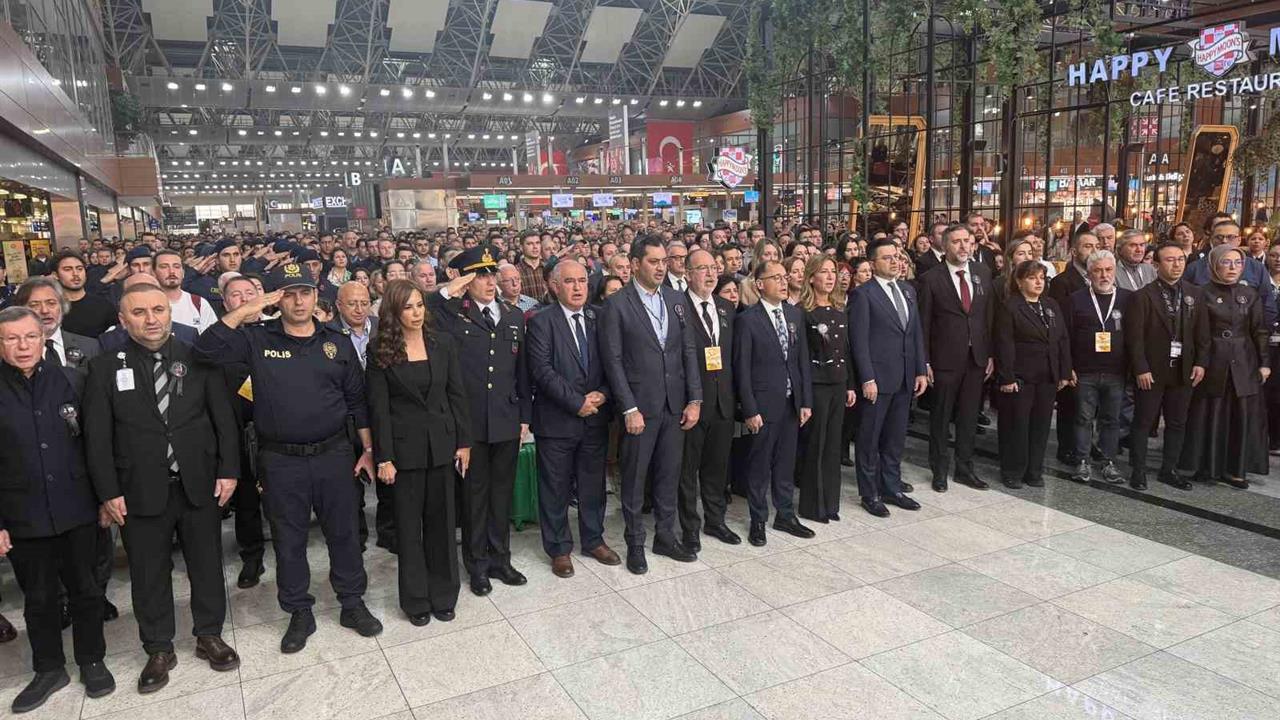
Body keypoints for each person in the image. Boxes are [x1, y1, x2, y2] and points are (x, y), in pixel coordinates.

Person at [192, 262, 383, 654]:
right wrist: (247, 310)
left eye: (306, 292)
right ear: (277, 299)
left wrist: (367, 449)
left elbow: (357, 401)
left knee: (345, 533)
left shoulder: (336, 341)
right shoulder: (256, 338)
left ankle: (351, 602)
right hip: (281, 461)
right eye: (289, 294)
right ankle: (298, 611)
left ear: (317, 296)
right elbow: (205, 351)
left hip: (335, 454)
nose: (299, 301)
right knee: (289, 539)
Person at [82, 282, 241, 693]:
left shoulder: (197, 357)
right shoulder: (103, 367)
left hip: (199, 482)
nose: (151, 319)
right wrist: (107, 490)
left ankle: (209, 634)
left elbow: (223, 418)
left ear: (170, 313)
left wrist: (229, 469)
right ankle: (158, 647)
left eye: (157, 309)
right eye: (139, 312)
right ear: (123, 319)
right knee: (149, 573)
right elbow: (97, 436)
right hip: (138, 488)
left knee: (207, 563)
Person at [0, 307, 115, 712]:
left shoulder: (72, 379)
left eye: (30, 336)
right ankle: (49, 668)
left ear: (43, 337)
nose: (22, 345)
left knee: (87, 591)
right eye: (11, 339)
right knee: (39, 598)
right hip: (23, 515)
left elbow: (96, 444)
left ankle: (92, 659)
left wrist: (105, 497)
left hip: (77, 507)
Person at [428, 247, 531, 596]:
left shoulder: (513, 316)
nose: (490, 281)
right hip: (469, 423)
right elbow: (430, 307)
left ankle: (500, 558)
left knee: (502, 495)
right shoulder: (454, 316)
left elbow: (522, 375)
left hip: (505, 419)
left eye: (492, 274)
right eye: (480, 275)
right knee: (474, 498)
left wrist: (524, 418)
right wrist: (452, 288)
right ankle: (477, 565)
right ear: (466, 279)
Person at [367, 280, 471, 625]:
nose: (416, 313)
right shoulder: (380, 349)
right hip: (403, 452)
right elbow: (378, 409)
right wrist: (384, 457)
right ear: (394, 313)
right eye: (408, 307)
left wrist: (463, 442)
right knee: (409, 531)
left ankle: (444, 595)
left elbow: (457, 395)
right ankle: (415, 600)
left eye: (419, 306)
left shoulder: (442, 343)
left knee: (442, 526)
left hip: (441, 446)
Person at [600, 235, 702, 574]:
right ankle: (635, 542)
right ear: (634, 264)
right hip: (640, 409)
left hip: (675, 406)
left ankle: (665, 536)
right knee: (634, 479)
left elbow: (688, 351)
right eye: (654, 262)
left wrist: (695, 398)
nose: (661, 267)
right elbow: (613, 360)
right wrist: (628, 407)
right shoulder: (617, 305)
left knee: (669, 476)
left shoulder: (676, 300)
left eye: (664, 262)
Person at [526, 260, 621, 577]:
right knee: (555, 487)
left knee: (593, 484)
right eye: (570, 281)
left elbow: (615, 362)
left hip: (595, 417)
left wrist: (603, 394)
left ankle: (593, 539)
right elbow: (542, 371)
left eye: (583, 280)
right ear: (554, 286)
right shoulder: (542, 322)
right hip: (557, 421)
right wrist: (576, 402)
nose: (579, 287)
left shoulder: (600, 317)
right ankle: (558, 548)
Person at [733, 260, 814, 544]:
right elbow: (741, 369)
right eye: (775, 277)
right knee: (759, 465)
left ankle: (785, 514)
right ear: (759, 284)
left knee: (785, 463)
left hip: (791, 404)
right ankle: (758, 520)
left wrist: (805, 401)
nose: (783, 281)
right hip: (763, 406)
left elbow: (800, 360)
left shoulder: (794, 315)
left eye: (785, 276)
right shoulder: (747, 320)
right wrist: (750, 408)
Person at [848, 239, 927, 518]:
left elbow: (915, 332)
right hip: (877, 380)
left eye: (897, 257)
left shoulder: (907, 290)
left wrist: (919, 368)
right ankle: (869, 493)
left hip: (905, 376)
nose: (895, 262)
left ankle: (892, 487)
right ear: (872, 263)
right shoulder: (863, 294)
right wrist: (866, 378)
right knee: (870, 439)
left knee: (895, 438)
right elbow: (858, 341)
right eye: (887, 258)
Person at [1182, 244, 1271, 488]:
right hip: (1212, 359)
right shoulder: (1200, 293)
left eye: (1238, 263)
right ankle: (1206, 466)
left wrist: (1265, 363)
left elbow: (1259, 330)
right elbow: (1192, 331)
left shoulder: (1250, 294)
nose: (1233, 268)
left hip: (1244, 360)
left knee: (1240, 415)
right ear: (1213, 264)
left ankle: (1236, 469)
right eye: (1226, 262)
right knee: (1209, 413)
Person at [917, 224, 995, 492]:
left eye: (967, 241)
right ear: (945, 246)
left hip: (977, 359)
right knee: (941, 418)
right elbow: (924, 324)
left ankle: (964, 468)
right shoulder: (930, 279)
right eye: (957, 242)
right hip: (944, 361)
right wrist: (925, 361)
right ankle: (939, 470)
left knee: (969, 416)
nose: (963, 247)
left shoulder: (983, 273)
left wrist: (990, 354)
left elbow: (988, 318)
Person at [677, 249, 740, 547]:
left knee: (717, 467)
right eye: (702, 268)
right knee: (687, 469)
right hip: (692, 403)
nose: (711, 274)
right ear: (688, 273)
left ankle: (716, 522)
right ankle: (690, 526)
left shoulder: (727, 307)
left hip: (723, 402)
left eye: (714, 267)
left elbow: (734, 358)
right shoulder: (677, 307)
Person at [1126, 243, 1201, 491]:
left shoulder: (1194, 294)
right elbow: (1134, 338)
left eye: (1180, 259)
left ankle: (1169, 469)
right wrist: (1140, 368)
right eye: (1170, 260)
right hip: (1152, 370)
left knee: (1177, 422)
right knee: (1144, 422)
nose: (1176, 264)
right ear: (1156, 265)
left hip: (1183, 368)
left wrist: (1201, 362)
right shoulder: (1143, 296)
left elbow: (1203, 334)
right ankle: (1138, 469)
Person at [994, 261, 1072, 488]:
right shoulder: (1010, 306)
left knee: (1040, 426)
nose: (1039, 282)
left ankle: (1034, 471)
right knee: (1016, 425)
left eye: (1042, 277)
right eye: (1032, 277)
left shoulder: (1051, 305)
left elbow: (1063, 340)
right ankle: (1012, 471)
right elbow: (1004, 344)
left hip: (1047, 376)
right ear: (1019, 282)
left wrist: (1064, 372)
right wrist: (1007, 377)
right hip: (1021, 377)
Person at [215, 276, 268, 588]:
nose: (246, 300)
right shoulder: (221, 341)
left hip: (277, 428)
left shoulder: (276, 332)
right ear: (226, 304)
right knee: (247, 499)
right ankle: (252, 556)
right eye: (237, 295)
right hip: (238, 429)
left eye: (251, 293)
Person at [1063, 250, 1131, 484]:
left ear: (1114, 271)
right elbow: (1066, 337)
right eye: (1098, 270)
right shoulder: (1076, 299)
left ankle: (1109, 462)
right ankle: (1082, 461)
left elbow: (1135, 336)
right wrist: (1068, 367)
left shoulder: (1128, 299)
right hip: (1084, 371)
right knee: (1083, 418)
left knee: (1111, 419)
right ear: (1089, 273)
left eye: (1108, 270)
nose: (1104, 275)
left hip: (1116, 371)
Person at [795, 256, 854, 522]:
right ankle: (812, 505)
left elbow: (846, 350)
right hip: (816, 386)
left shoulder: (840, 308)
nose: (831, 277)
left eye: (833, 272)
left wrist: (851, 384)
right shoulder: (802, 312)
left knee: (833, 446)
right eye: (824, 272)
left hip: (838, 383)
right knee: (815, 445)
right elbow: (801, 359)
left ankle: (831, 503)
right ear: (811, 278)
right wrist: (805, 397)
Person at [1049, 231, 1099, 464]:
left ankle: (1087, 443)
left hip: (1096, 353)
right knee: (1071, 405)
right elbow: (1060, 326)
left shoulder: (1101, 278)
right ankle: (1067, 447)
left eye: (1096, 246)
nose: (1093, 251)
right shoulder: (1063, 282)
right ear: (1074, 251)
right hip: (1073, 353)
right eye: (1088, 246)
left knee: (1091, 406)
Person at [1183, 219, 1277, 325]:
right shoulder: (1194, 268)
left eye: (1230, 237)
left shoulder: (1256, 268)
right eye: (1219, 237)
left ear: (1239, 240)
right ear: (1211, 240)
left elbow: (1268, 305)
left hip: (1246, 333)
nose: (1224, 241)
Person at [15, 277, 101, 372]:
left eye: (51, 303)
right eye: (34, 305)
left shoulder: (90, 347)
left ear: (62, 306)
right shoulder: (10, 351)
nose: (44, 310)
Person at [52, 251, 116, 338]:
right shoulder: (51, 309)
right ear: (55, 275)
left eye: (79, 269)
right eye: (68, 269)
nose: (75, 274)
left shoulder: (104, 305)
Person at [155, 250, 220, 332]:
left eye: (176, 266)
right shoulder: (145, 304)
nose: (171, 271)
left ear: (183, 273)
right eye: (164, 266)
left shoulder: (199, 303)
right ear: (153, 273)